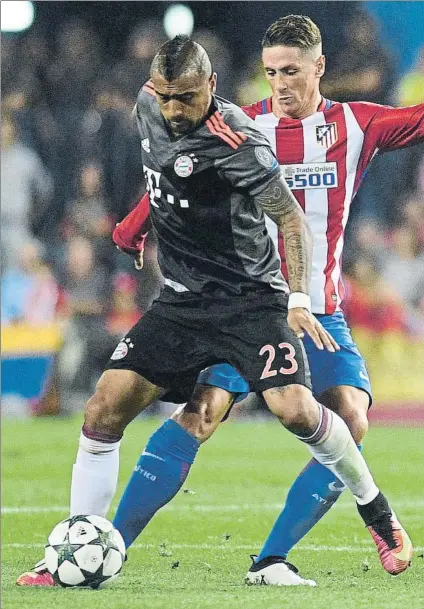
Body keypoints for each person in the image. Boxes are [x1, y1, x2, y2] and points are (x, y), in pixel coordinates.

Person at [17, 35, 412, 588]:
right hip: (183, 302)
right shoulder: (150, 106)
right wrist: (134, 224)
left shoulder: (247, 138)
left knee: (309, 411)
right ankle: (87, 552)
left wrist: (297, 297)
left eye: (291, 71)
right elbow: (166, 179)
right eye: (270, 71)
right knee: (118, 409)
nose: (279, 84)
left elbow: (292, 220)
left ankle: (365, 515)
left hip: (261, 301)